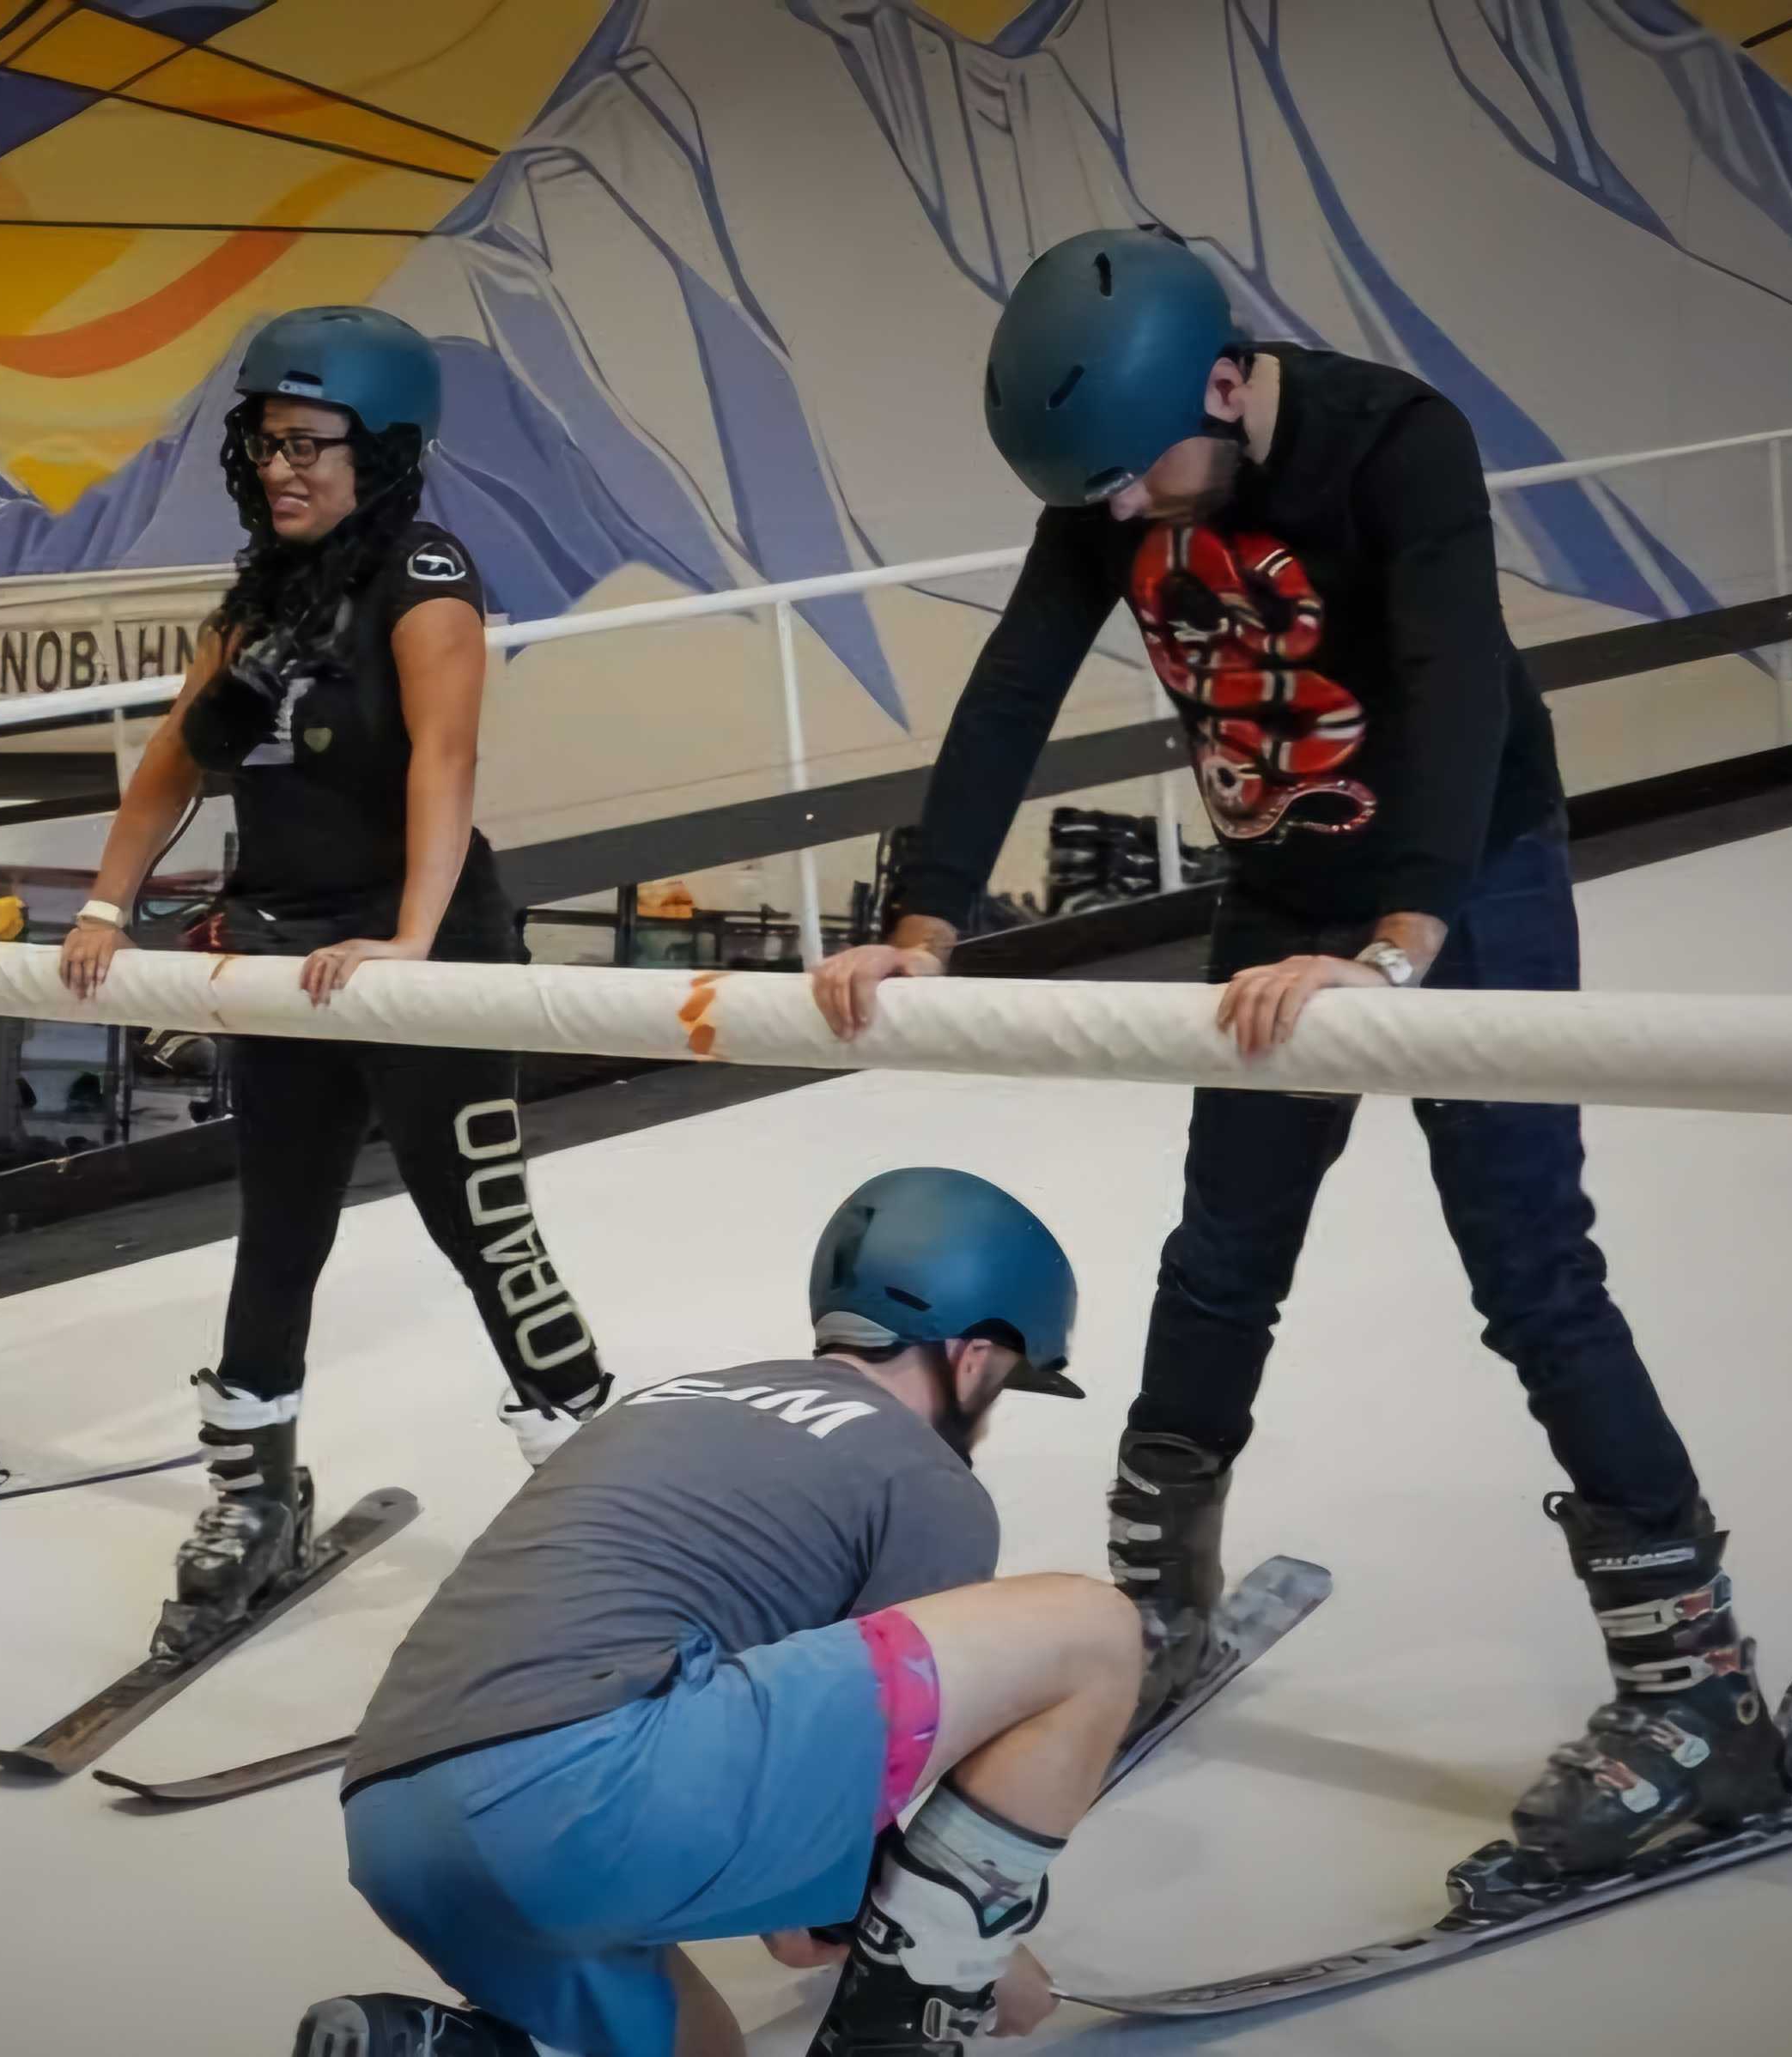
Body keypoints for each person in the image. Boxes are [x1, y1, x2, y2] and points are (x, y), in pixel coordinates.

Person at [811, 228, 1792, 1881]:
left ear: (1220, 377)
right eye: (1097, 498)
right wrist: (922, 915)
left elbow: (1453, 675)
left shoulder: (1394, 443)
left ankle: (1699, 1694)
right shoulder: (1117, 476)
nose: (1122, 519)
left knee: (1529, 1269)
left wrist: (1402, 935)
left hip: (1462, 874)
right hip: (1283, 883)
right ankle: (1151, 1605)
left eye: (1138, 481)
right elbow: (1012, 688)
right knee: (1220, 1254)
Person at [296, 1168, 1140, 2057]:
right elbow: (894, 1779)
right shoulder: (922, 1478)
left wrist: (817, 1907)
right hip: (584, 1791)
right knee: (1093, 1631)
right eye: (1004, 1379)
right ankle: (895, 2040)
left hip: (394, 1823)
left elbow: (808, 1844)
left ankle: (449, 2048)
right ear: (972, 1355)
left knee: (703, 2046)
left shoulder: (672, 1404)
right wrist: (976, 1953)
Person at [56, 306, 608, 1658]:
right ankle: (253, 1495)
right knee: (280, 1226)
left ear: (387, 454)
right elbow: (181, 760)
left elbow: (444, 766)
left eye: (312, 444)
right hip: (281, 954)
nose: (283, 467)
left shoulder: (425, 581)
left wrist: (413, 946)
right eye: (265, 442)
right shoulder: (261, 599)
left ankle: (599, 1493)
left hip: (423, 949)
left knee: (481, 1223)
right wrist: (104, 905)